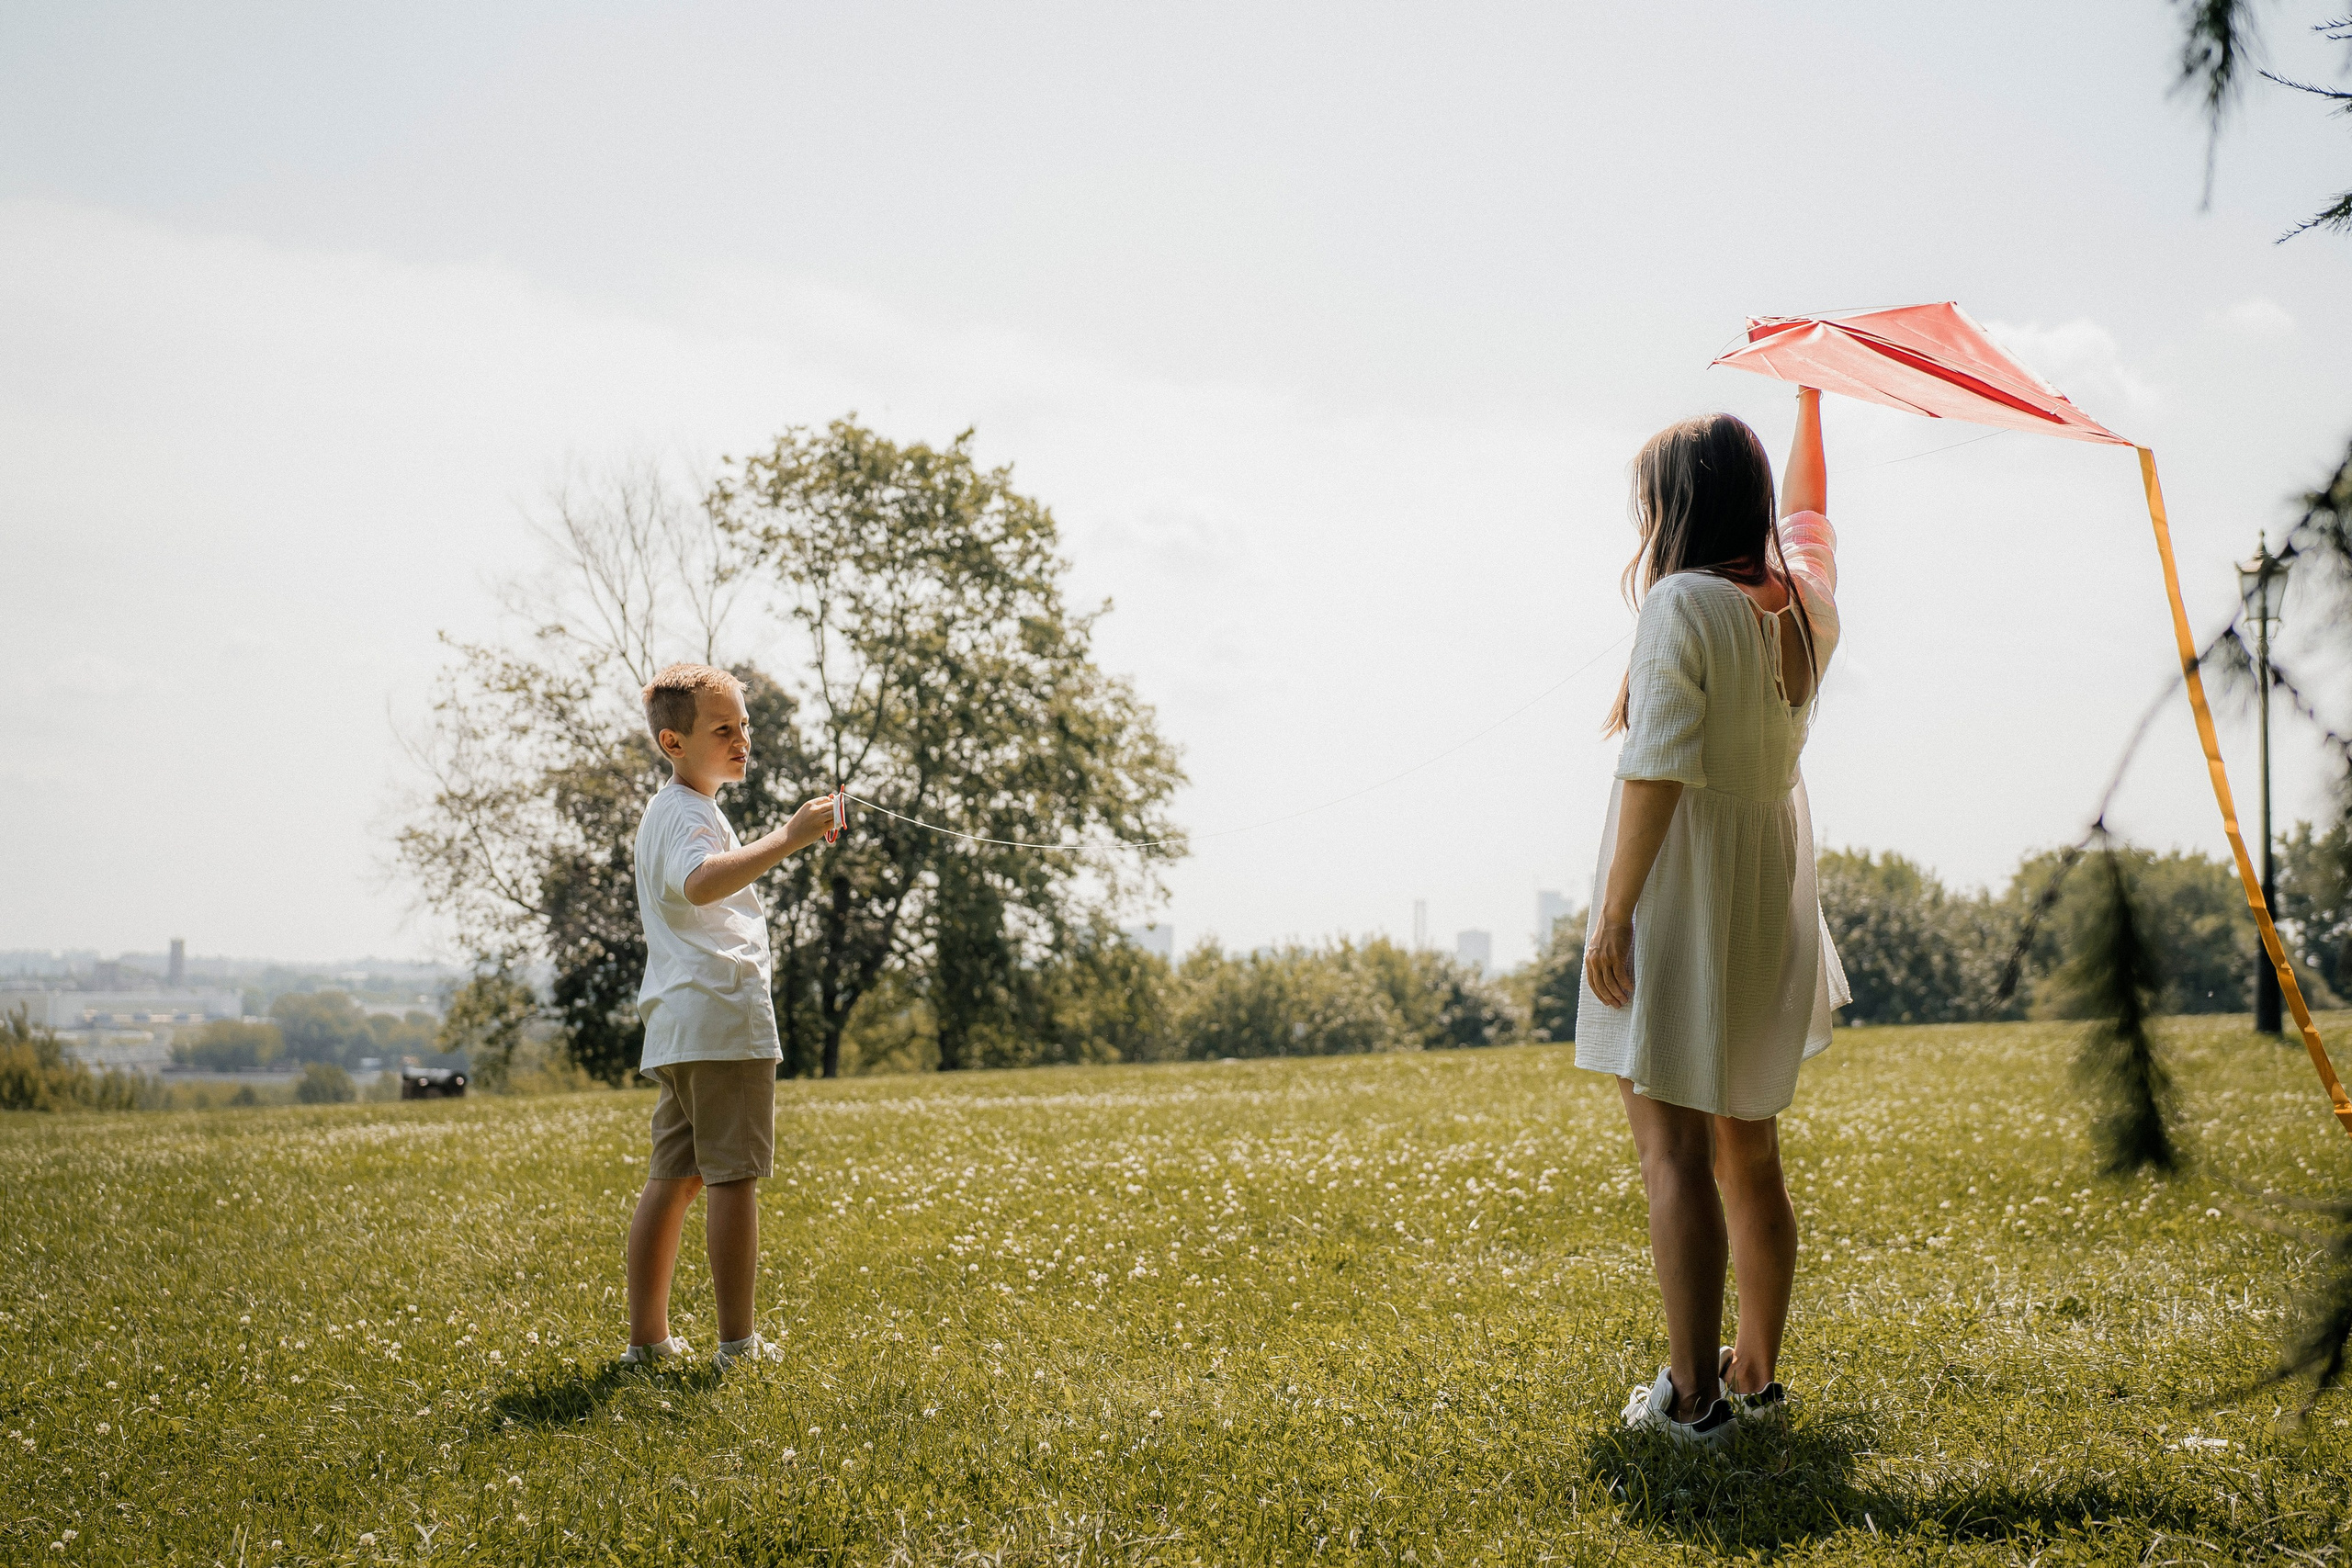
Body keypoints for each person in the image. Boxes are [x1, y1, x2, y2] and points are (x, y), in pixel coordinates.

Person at [1577, 389, 1850, 1445]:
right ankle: (1756, 1376)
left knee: (1670, 1154)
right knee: (1751, 1150)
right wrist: (1810, 405)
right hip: (1765, 884)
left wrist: (1613, 917)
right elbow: (1816, 517)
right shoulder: (1808, 602)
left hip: (1683, 884)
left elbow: (1654, 770)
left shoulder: (1682, 603)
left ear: (1676, 508)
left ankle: (1691, 1403)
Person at [619, 662, 839, 1373]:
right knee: (732, 1177)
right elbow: (700, 881)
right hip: (719, 1017)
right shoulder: (685, 813)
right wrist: (789, 837)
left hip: (682, 1024)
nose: (742, 738)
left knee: (675, 1177)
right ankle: (738, 1347)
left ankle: (647, 1340)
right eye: (723, 728)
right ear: (672, 742)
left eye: (744, 725)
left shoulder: (676, 809)